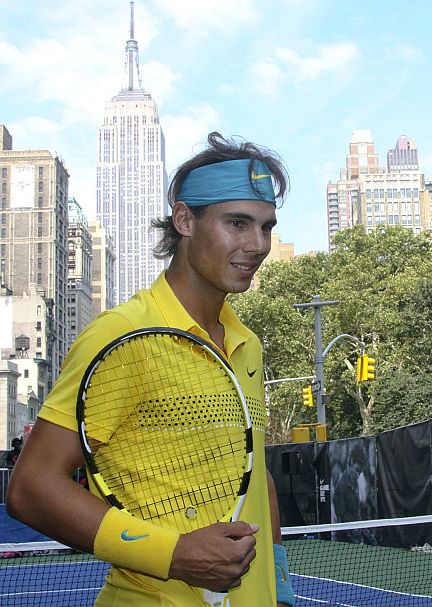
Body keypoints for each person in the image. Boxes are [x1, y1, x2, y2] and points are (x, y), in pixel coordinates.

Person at [6, 132, 295, 607]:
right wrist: (174, 554)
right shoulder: (119, 334)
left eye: (266, 227)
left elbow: (253, 469)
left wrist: (278, 587)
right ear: (184, 219)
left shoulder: (247, 344)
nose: (257, 244)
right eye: (237, 223)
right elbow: (32, 487)